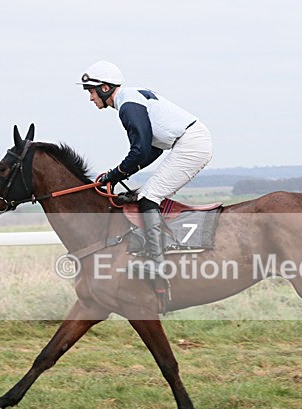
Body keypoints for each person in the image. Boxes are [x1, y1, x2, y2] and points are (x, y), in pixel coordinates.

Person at [79, 60, 213, 278]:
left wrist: (114, 175)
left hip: (190, 143)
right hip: (190, 141)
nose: (91, 98)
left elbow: (140, 152)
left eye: (91, 92)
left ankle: (158, 263)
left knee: (148, 197)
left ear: (105, 88)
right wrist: (119, 174)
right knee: (145, 195)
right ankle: (163, 247)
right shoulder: (129, 99)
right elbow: (152, 150)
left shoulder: (127, 106)